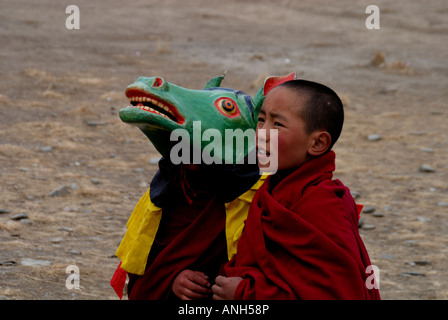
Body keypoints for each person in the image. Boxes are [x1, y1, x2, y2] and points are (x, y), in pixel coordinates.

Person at [211, 80, 381, 300]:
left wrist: (247, 294)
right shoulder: (270, 190)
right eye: (261, 120)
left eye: (278, 125)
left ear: (318, 143)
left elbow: (337, 293)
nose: (261, 133)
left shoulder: (322, 204)